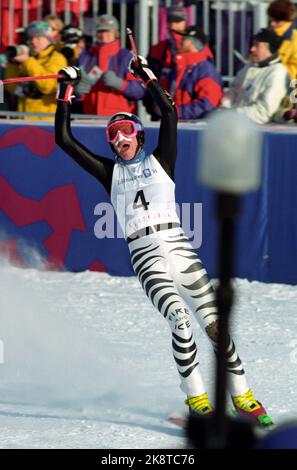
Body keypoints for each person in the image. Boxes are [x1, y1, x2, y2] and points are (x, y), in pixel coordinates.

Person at [54, 59, 273, 427]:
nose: (119, 140)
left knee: (216, 325)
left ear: (139, 133)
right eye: (113, 135)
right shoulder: (109, 173)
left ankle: (244, 398)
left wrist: (148, 76)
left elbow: (169, 112)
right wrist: (66, 90)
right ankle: (197, 400)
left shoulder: (162, 160)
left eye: (125, 131)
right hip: (146, 257)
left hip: (179, 248)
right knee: (181, 321)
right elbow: (64, 140)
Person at [78, 14, 145, 117]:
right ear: (96, 34)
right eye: (100, 31)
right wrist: (77, 92)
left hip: (120, 119)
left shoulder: (127, 57)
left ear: (116, 33)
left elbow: (140, 91)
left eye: (108, 31)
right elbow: (71, 93)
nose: (104, 35)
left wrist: (120, 84)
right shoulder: (86, 57)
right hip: (89, 117)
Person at [221, 28, 288, 124]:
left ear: (269, 49)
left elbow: (264, 113)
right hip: (235, 123)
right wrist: (223, 110)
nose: (252, 49)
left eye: (257, 46)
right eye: (252, 45)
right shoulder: (249, 67)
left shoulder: (278, 72)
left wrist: (233, 114)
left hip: (258, 131)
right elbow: (233, 91)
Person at [4, 21, 67, 119]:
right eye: (31, 38)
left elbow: (48, 86)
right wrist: (13, 62)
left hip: (45, 120)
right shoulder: (28, 58)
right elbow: (9, 85)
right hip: (23, 118)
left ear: (48, 39)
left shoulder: (57, 58)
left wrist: (28, 61)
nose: (33, 41)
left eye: (38, 38)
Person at [174, 26, 223, 119]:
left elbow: (208, 103)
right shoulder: (180, 66)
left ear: (193, 44)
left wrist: (175, 112)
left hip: (195, 128)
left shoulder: (205, 70)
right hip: (176, 124)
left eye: (183, 39)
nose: (179, 41)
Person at [268, 0, 297, 80]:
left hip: (290, 83)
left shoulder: (293, 38)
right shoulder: (269, 35)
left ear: (287, 20)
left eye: (277, 21)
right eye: (271, 19)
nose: (272, 24)